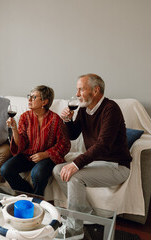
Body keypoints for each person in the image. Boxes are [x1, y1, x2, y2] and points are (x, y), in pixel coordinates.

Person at [53, 74, 132, 239]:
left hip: (116, 166)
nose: (77, 93)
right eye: (77, 89)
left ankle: (75, 230)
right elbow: (73, 135)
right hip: (96, 162)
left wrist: (75, 164)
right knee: (57, 170)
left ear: (96, 90)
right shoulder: (83, 109)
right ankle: (86, 215)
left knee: (74, 177)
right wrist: (67, 121)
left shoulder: (111, 109)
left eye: (81, 89)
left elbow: (103, 144)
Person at [1, 85, 71, 196]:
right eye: (29, 96)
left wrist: (46, 154)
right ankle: (29, 196)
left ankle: (37, 197)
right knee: (5, 170)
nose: (29, 99)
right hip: (27, 155)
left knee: (37, 174)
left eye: (34, 97)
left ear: (44, 102)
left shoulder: (55, 119)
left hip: (47, 158)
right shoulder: (25, 117)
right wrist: (14, 128)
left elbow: (64, 144)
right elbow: (21, 143)